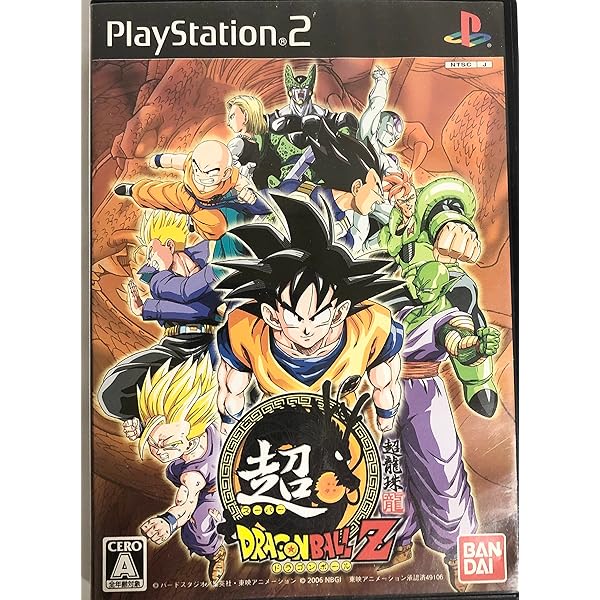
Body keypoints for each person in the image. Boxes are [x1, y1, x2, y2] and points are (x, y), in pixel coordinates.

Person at [215, 194, 404, 436]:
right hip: (277, 432)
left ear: (339, 312)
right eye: (295, 317)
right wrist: (229, 424)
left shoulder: (369, 327)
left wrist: (386, 416)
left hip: (340, 433)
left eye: (318, 316)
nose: (307, 328)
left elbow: (386, 383)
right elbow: (232, 391)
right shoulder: (246, 332)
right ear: (271, 315)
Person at [378, 261, 500, 593]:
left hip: (425, 397)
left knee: (441, 472)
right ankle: (399, 539)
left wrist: (475, 346)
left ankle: (459, 553)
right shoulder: (398, 312)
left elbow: (457, 341)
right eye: (416, 279)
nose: (419, 285)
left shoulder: (446, 316)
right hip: (386, 395)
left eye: (427, 281)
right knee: (390, 472)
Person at [377, 171, 498, 417]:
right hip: (406, 290)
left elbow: (444, 213)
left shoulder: (431, 212)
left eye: (408, 198)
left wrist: (452, 226)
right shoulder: (396, 226)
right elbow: (387, 243)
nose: (404, 203)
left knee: (464, 293)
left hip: (443, 282)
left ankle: (478, 380)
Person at [98, 209, 225, 422]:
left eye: (153, 247)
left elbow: (195, 301)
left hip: (214, 343)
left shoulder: (206, 254)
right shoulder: (158, 279)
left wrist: (147, 308)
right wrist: (148, 308)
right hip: (177, 346)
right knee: (113, 391)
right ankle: (155, 420)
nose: (150, 256)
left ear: (169, 246)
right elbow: (188, 296)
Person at [124, 357, 227, 586]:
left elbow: (185, 505)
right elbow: (163, 426)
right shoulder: (191, 423)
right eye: (153, 443)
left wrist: (168, 521)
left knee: (198, 533)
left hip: (213, 489)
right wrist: (140, 429)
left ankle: (216, 553)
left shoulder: (193, 476)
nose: (157, 451)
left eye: (165, 444)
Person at [113, 140, 268, 241]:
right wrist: (159, 160)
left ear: (225, 173)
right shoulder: (191, 163)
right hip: (183, 194)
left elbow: (243, 184)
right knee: (158, 193)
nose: (200, 175)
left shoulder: (231, 176)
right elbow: (174, 160)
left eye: (209, 173)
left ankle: (195, 224)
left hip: (205, 208)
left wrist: (248, 193)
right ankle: (132, 190)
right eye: (197, 169)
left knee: (216, 229)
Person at [277, 124, 387, 256]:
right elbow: (261, 203)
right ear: (357, 187)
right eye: (377, 191)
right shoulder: (297, 190)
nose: (380, 200)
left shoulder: (346, 228)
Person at [358, 65, 434, 175]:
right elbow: (375, 106)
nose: (392, 139)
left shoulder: (389, 160)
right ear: (378, 125)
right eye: (389, 130)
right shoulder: (367, 138)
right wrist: (382, 81)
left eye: (396, 137)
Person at [225, 94, 268, 181]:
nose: (228, 123)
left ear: (246, 116)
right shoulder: (253, 144)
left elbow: (227, 164)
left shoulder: (239, 142)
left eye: (232, 116)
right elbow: (228, 165)